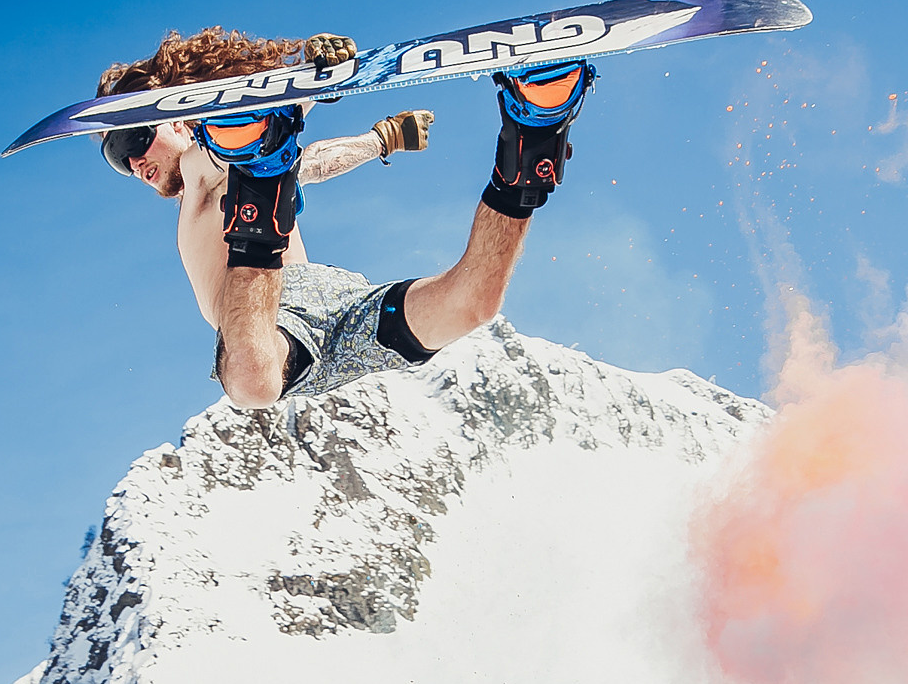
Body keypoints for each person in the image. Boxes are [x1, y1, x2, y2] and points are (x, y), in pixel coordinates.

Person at [97, 27, 595, 409]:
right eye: (119, 161)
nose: (135, 164)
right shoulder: (208, 176)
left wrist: (311, 82)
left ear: (179, 119)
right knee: (473, 304)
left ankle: (262, 156)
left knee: (250, 382)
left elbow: (260, 160)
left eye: (133, 141)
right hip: (328, 326)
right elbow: (307, 164)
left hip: (277, 320)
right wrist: (374, 133)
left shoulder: (198, 169)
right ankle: (534, 130)